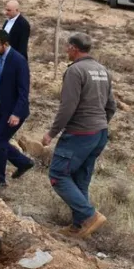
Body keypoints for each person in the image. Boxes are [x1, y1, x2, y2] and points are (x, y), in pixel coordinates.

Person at [41, 33, 116, 238]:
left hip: (80, 133)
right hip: (99, 133)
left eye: (68, 47)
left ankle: (89, 215)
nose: (66, 50)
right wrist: (100, 123)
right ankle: (78, 226)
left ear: (74, 48)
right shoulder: (102, 70)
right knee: (80, 179)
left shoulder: (75, 71)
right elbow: (112, 105)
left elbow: (68, 106)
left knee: (58, 174)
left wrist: (52, 133)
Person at [0, 30, 34, 186]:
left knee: (0, 141)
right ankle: (23, 163)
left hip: (13, 110)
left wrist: (16, 113)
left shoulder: (19, 61)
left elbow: (23, 91)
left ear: (6, 44)